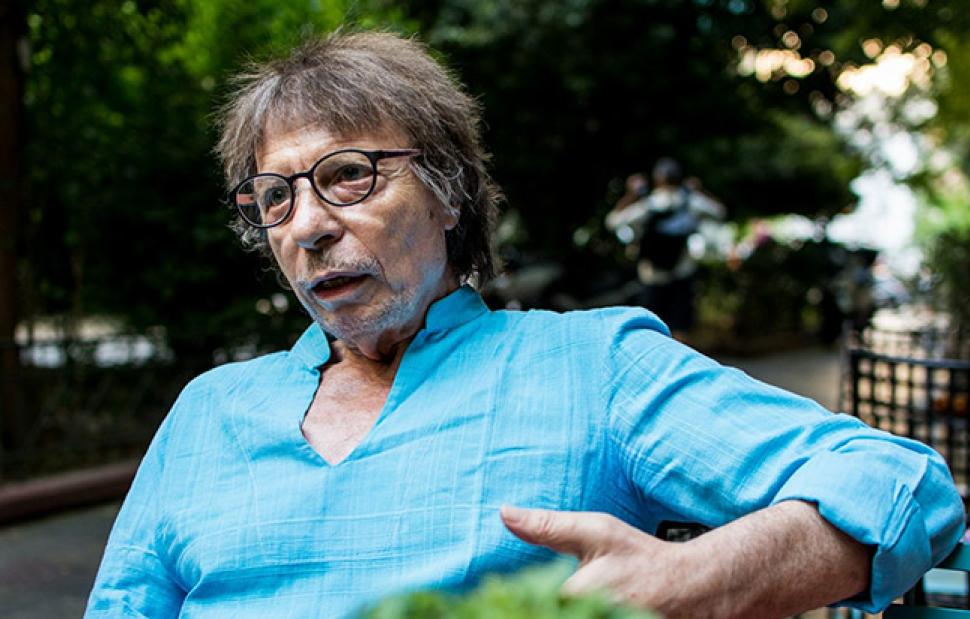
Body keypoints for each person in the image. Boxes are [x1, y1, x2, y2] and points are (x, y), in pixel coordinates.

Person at [86, 31, 964, 619]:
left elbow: (899, 484)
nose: (307, 225)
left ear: (449, 194)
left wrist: (695, 577)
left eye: (349, 174)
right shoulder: (208, 410)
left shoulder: (591, 365)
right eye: (275, 196)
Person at [606, 158, 725, 341]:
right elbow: (719, 211)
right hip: (682, 272)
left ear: (657, 179)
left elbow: (613, 221)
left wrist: (632, 194)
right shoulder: (690, 201)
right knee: (680, 328)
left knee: (650, 328)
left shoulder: (649, 203)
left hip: (653, 274)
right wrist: (699, 190)